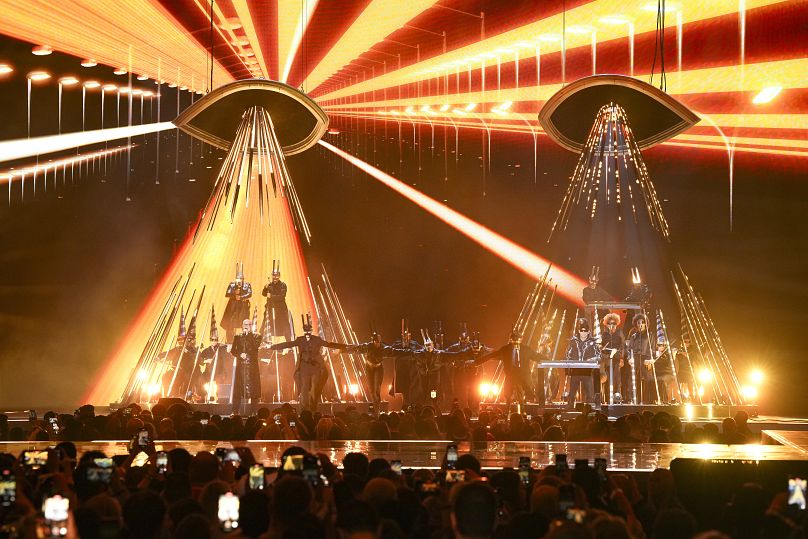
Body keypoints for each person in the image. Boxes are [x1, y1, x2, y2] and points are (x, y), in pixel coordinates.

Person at [270, 314, 350, 412]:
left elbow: (329, 344)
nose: (307, 332)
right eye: (306, 330)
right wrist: (274, 347)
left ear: (311, 331)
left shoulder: (317, 340)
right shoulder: (300, 340)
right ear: (304, 331)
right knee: (304, 389)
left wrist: (344, 346)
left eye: (309, 330)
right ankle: (304, 410)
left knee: (314, 389)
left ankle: (313, 408)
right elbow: (289, 344)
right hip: (304, 368)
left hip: (315, 368)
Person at [392, 332, 466, 408]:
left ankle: (434, 406)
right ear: (424, 346)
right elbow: (406, 353)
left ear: (433, 345)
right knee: (421, 393)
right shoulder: (419, 354)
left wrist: (467, 353)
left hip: (433, 377)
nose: (429, 347)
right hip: (422, 377)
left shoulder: (439, 354)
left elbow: (453, 355)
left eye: (430, 345)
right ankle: (421, 407)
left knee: (433, 394)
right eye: (427, 345)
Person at [476, 330, 537, 409]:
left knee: (521, 396)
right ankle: (507, 411)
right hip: (510, 376)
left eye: (517, 340)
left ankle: (522, 412)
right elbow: (493, 355)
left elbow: (535, 356)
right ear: (511, 340)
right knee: (508, 396)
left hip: (520, 377)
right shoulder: (506, 350)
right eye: (513, 339)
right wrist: (476, 362)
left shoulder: (525, 350)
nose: (515, 342)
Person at [350, 332, 393, 410]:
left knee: (377, 389)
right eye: (375, 342)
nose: (377, 344)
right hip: (369, 367)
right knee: (372, 390)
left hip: (378, 367)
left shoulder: (384, 348)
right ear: (373, 341)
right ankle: (375, 407)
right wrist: (342, 350)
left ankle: (377, 407)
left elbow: (395, 351)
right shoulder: (368, 346)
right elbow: (356, 348)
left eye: (378, 342)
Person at [564, 318, 599, 410]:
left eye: (585, 331)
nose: (583, 332)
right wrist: (571, 362)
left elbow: (598, 356)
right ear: (579, 331)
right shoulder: (573, 341)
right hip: (575, 371)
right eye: (581, 330)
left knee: (589, 392)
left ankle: (589, 408)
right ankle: (570, 405)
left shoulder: (593, 343)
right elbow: (567, 354)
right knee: (572, 391)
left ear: (588, 332)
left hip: (587, 371)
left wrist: (591, 360)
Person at [230, 318, 263, 414]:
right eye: (245, 324)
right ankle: (235, 411)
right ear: (242, 325)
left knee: (254, 389)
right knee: (238, 389)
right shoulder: (237, 336)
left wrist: (248, 335)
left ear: (251, 326)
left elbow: (254, 347)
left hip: (252, 367)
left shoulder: (256, 336)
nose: (246, 326)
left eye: (248, 324)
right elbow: (233, 350)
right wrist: (240, 354)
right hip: (241, 367)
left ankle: (254, 411)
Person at [626, 314, 654, 404]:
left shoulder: (650, 336)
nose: (640, 324)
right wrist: (629, 358)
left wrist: (649, 360)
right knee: (632, 379)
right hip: (635, 358)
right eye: (638, 323)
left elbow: (652, 349)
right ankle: (632, 399)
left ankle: (648, 399)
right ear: (636, 324)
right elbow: (629, 349)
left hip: (645, 359)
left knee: (648, 379)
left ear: (646, 324)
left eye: (642, 323)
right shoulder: (633, 336)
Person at [221, 263, 252, 343]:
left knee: (244, 323)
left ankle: (244, 340)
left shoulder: (247, 285)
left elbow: (249, 293)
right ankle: (229, 341)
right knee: (230, 323)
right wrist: (234, 293)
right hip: (233, 306)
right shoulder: (232, 285)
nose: (240, 280)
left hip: (243, 307)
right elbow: (227, 294)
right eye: (238, 279)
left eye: (241, 279)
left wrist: (241, 297)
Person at [261, 262, 291, 341]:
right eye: (274, 275)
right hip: (270, 308)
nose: (275, 277)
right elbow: (264, 294)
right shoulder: (269, 284)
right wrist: (265, 287)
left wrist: (271, 296)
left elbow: (281, 296)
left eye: (277, 275)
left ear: (279, 276)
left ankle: (290, 344)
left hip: (280, 309)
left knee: (285, 327)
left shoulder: (283, 285)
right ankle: (261, 343)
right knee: (265, 325)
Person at [600, 313, 624, 404]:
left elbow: (623, 346)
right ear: (607, 324)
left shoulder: (619, 333)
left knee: (617, 379)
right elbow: (600, 346)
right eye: (610, 323)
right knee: (607, 378)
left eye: (613, 323)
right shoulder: (604, 334)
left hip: (616, 359)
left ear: (616, 324)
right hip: (606, 359)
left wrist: (621, 358)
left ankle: (617, 398)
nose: (612, 325)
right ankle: (606, 398)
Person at [651, 339, 678, 404]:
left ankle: (665, 400)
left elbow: (668, 364)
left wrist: (673, 355)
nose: (660, 347)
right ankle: (655, 399)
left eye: (662, 345)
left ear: (665, 346)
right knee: (651, 380)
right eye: (658, 345)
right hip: (660, 374)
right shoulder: (655, 354)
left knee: (663, 380)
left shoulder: (668, 354)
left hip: (669, 373)